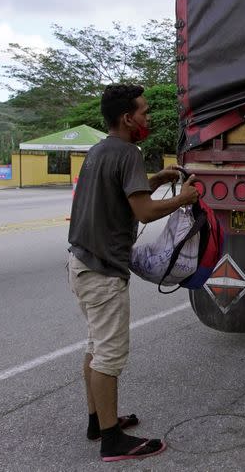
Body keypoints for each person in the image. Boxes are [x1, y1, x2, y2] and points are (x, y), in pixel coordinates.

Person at [67, 84, 199, 462]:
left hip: (80, 264)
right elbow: (143, 212)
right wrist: (182, 199)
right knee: (109, 356)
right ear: (127, 118)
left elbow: (122, 194)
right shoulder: (128, 152)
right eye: (142, 112)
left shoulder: (98, 151)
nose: (147, 118)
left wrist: (154, 179)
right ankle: (112, 441)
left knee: (95, 347)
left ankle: (98, 422)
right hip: (103, 272)